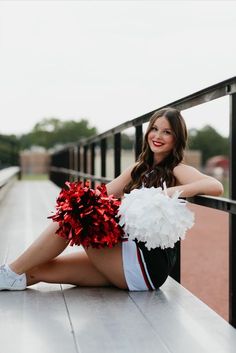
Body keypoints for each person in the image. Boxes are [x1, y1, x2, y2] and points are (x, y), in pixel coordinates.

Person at [0, 107, 223, 292]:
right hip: (121, 257)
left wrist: (165, 194)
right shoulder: (138, 168)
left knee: (76, 213)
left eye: (167, 132)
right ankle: (10, 276)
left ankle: (7, 272)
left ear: (177, 138)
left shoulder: (176, 168)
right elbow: (103, 193)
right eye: (154, 129)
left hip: (145, 267)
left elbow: (215, 186)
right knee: (35, 271)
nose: (157, 136)